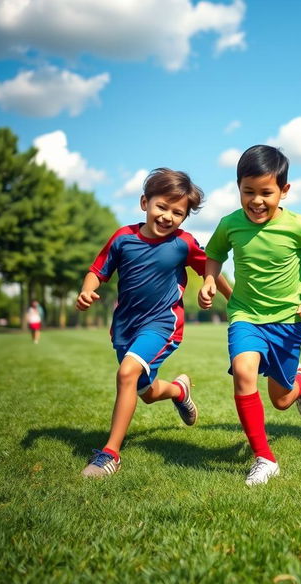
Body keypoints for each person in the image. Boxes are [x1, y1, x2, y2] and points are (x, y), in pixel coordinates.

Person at [76, 168, 231, 477]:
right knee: (144, 391)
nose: (167, 216)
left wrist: (227, 295)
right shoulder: (123, 238)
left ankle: (110, 454)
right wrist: (87, 290)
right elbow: (97, 270)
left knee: (127, 373)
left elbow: (210, 269)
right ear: (144, 202)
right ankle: (178, 391)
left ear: (184, 218)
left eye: (178, 212)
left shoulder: (184, 243)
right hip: (124, 329)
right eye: (162, 206)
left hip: (162, 325)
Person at [198, 145, 301, 486]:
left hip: (288, 323)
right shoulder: (230, 224)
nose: (256, 201)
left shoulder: (298, 225)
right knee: (244, 372)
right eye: (248, 192)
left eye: (266, 193)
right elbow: (213, 254)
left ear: (284, 191)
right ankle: (264, 457)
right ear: (238, 188)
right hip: (245, 315)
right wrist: (207, 279)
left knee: (281, 400)